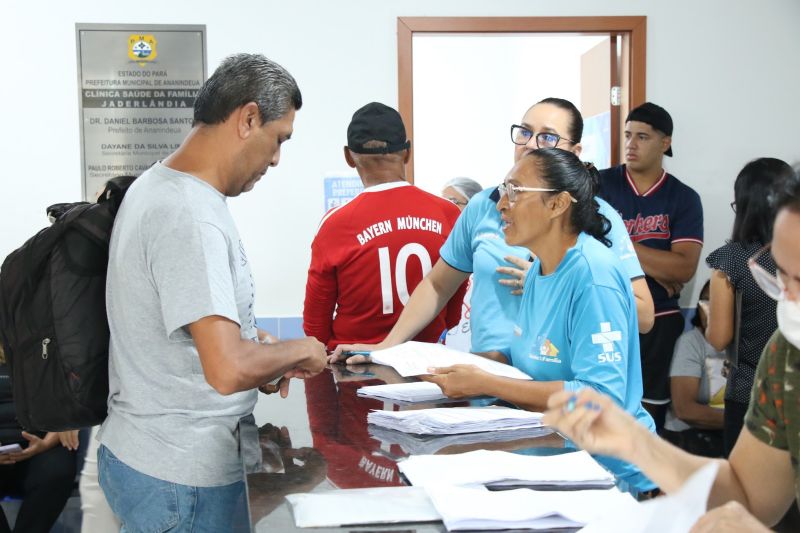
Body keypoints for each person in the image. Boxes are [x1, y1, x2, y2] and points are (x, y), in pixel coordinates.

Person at [96, 53, 328, 531]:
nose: (276, 159)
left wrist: (266, 354)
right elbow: (226, 369)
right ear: (248, 119)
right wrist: (302, 348)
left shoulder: (161, 186)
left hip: (153, 459)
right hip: (181, 478)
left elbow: (192, 335)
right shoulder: (189, 214)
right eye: (279, 139)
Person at [543, 182, 800, 531]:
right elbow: (747, 493)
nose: (786, 298)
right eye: (780, 274)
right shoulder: (787, 355)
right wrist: (638, 444)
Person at [334, 97, 653, 363]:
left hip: (559, 389)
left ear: (575, 152)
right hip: (487, 388)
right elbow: (437, 285)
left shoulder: (596, 217)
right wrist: (387, 346)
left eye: (547, 137)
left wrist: (551, 284)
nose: (531, 144)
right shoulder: (485, 206)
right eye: (525, 132)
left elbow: (643, 316)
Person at [420, 148, 655, 489]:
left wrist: (486, 383)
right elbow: (529, 357)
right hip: (553, 456)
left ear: (557, 204)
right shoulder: (538, 270)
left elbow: (602, 397)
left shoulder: (593, 275)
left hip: (607, 472)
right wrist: (453, 366)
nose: (501, 205)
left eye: (514, 191)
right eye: (503, 190)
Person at [303, 102, 466, 350]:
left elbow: (316, 329)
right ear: (407, 152)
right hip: (427, 364)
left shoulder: (335, 225)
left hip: (353, 364)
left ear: (349, 157)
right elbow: (453, 315)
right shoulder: (449, 214)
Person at [597, 102, 704, 429]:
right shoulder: (600, 185)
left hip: (660, 318)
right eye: (628, 135)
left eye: (642, 137)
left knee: (648, 417)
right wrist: (656, 265)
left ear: (665, 142)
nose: (631, 144)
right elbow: (582, 247)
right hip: (605, 312)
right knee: (600, 409)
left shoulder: (683, 197)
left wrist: (615, 242)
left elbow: (682, 270)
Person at [704, 157, 795, 455]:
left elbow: (719, 338)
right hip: (791, 389)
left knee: (746, 479)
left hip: (749, 390)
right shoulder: (791, 254)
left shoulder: (731, 260)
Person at [0, 344, 78, 533]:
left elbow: (71, 399)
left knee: (58, 471)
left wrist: (46, 443)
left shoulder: (43, 344)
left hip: (41, 444)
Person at [662, 280, 726, 458]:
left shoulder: (748, 346)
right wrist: (743, 420)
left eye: (719, 302)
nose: (709, 309)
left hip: (729, 435)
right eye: (705, 301)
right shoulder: (691, 342)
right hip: (688, 437)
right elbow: (685, 410)